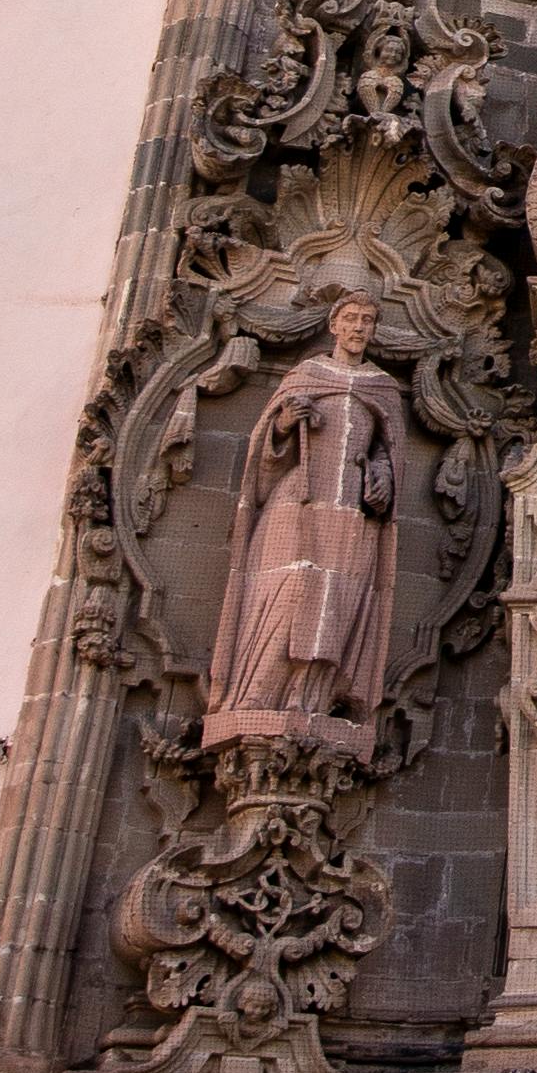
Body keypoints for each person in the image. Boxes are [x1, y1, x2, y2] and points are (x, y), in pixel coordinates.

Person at [202, 293, 406, 751]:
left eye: (367, 320)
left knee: (337, 600)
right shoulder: (306, 376)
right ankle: (253, 695)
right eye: (350, 319)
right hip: (296, 503)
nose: (358, 327)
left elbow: (388, 452)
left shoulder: (381, 387)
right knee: (285, 593)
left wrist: (381, 476)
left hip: (352, 515)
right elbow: (266, 453)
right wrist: (284, 424)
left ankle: (310, 698)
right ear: (334, 325)